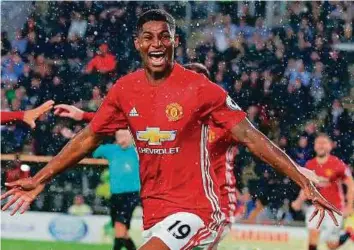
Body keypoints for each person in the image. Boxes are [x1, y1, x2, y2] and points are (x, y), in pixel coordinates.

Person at [1, 9, 340, 250]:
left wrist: (302, 181)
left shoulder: (201, 90)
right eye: (148, 37)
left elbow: (253, 138)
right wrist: (40, 179)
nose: (157, 44)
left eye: (164, 36)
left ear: (175, 41)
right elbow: (88, 139)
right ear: (137, 44)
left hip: (200, 210)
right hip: (155, 212)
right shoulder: (124, 90)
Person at [292, 134, 354, 250]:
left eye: (324, 143)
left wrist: (349, 206)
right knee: (313, 234)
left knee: (331, 245)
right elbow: (306, 187)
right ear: (314, 146)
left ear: (330, 146)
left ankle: (348, 234)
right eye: (318, 143)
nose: (321, 145)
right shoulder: (310, 165)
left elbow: (350, 184)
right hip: (316, 207)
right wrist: (299, 201)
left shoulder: (337, 164)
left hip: (335, 207)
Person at [93, 130, 140, 250]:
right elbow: (94, 151)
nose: (122, 138)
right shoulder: (111, 149)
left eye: (125, 135)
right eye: (119, 136)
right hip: (115, 194)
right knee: (121, 230)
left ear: (131, 137)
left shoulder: (137, 151)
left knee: (120, 224)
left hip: (132, 194)